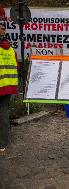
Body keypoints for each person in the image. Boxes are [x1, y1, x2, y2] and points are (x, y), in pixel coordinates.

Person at [0, 23, 19, 152]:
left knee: (2, 113)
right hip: (9, 86)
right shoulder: (11, 49)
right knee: (4, 112)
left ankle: (2, 142)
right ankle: (3, 142)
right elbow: (16, 66)